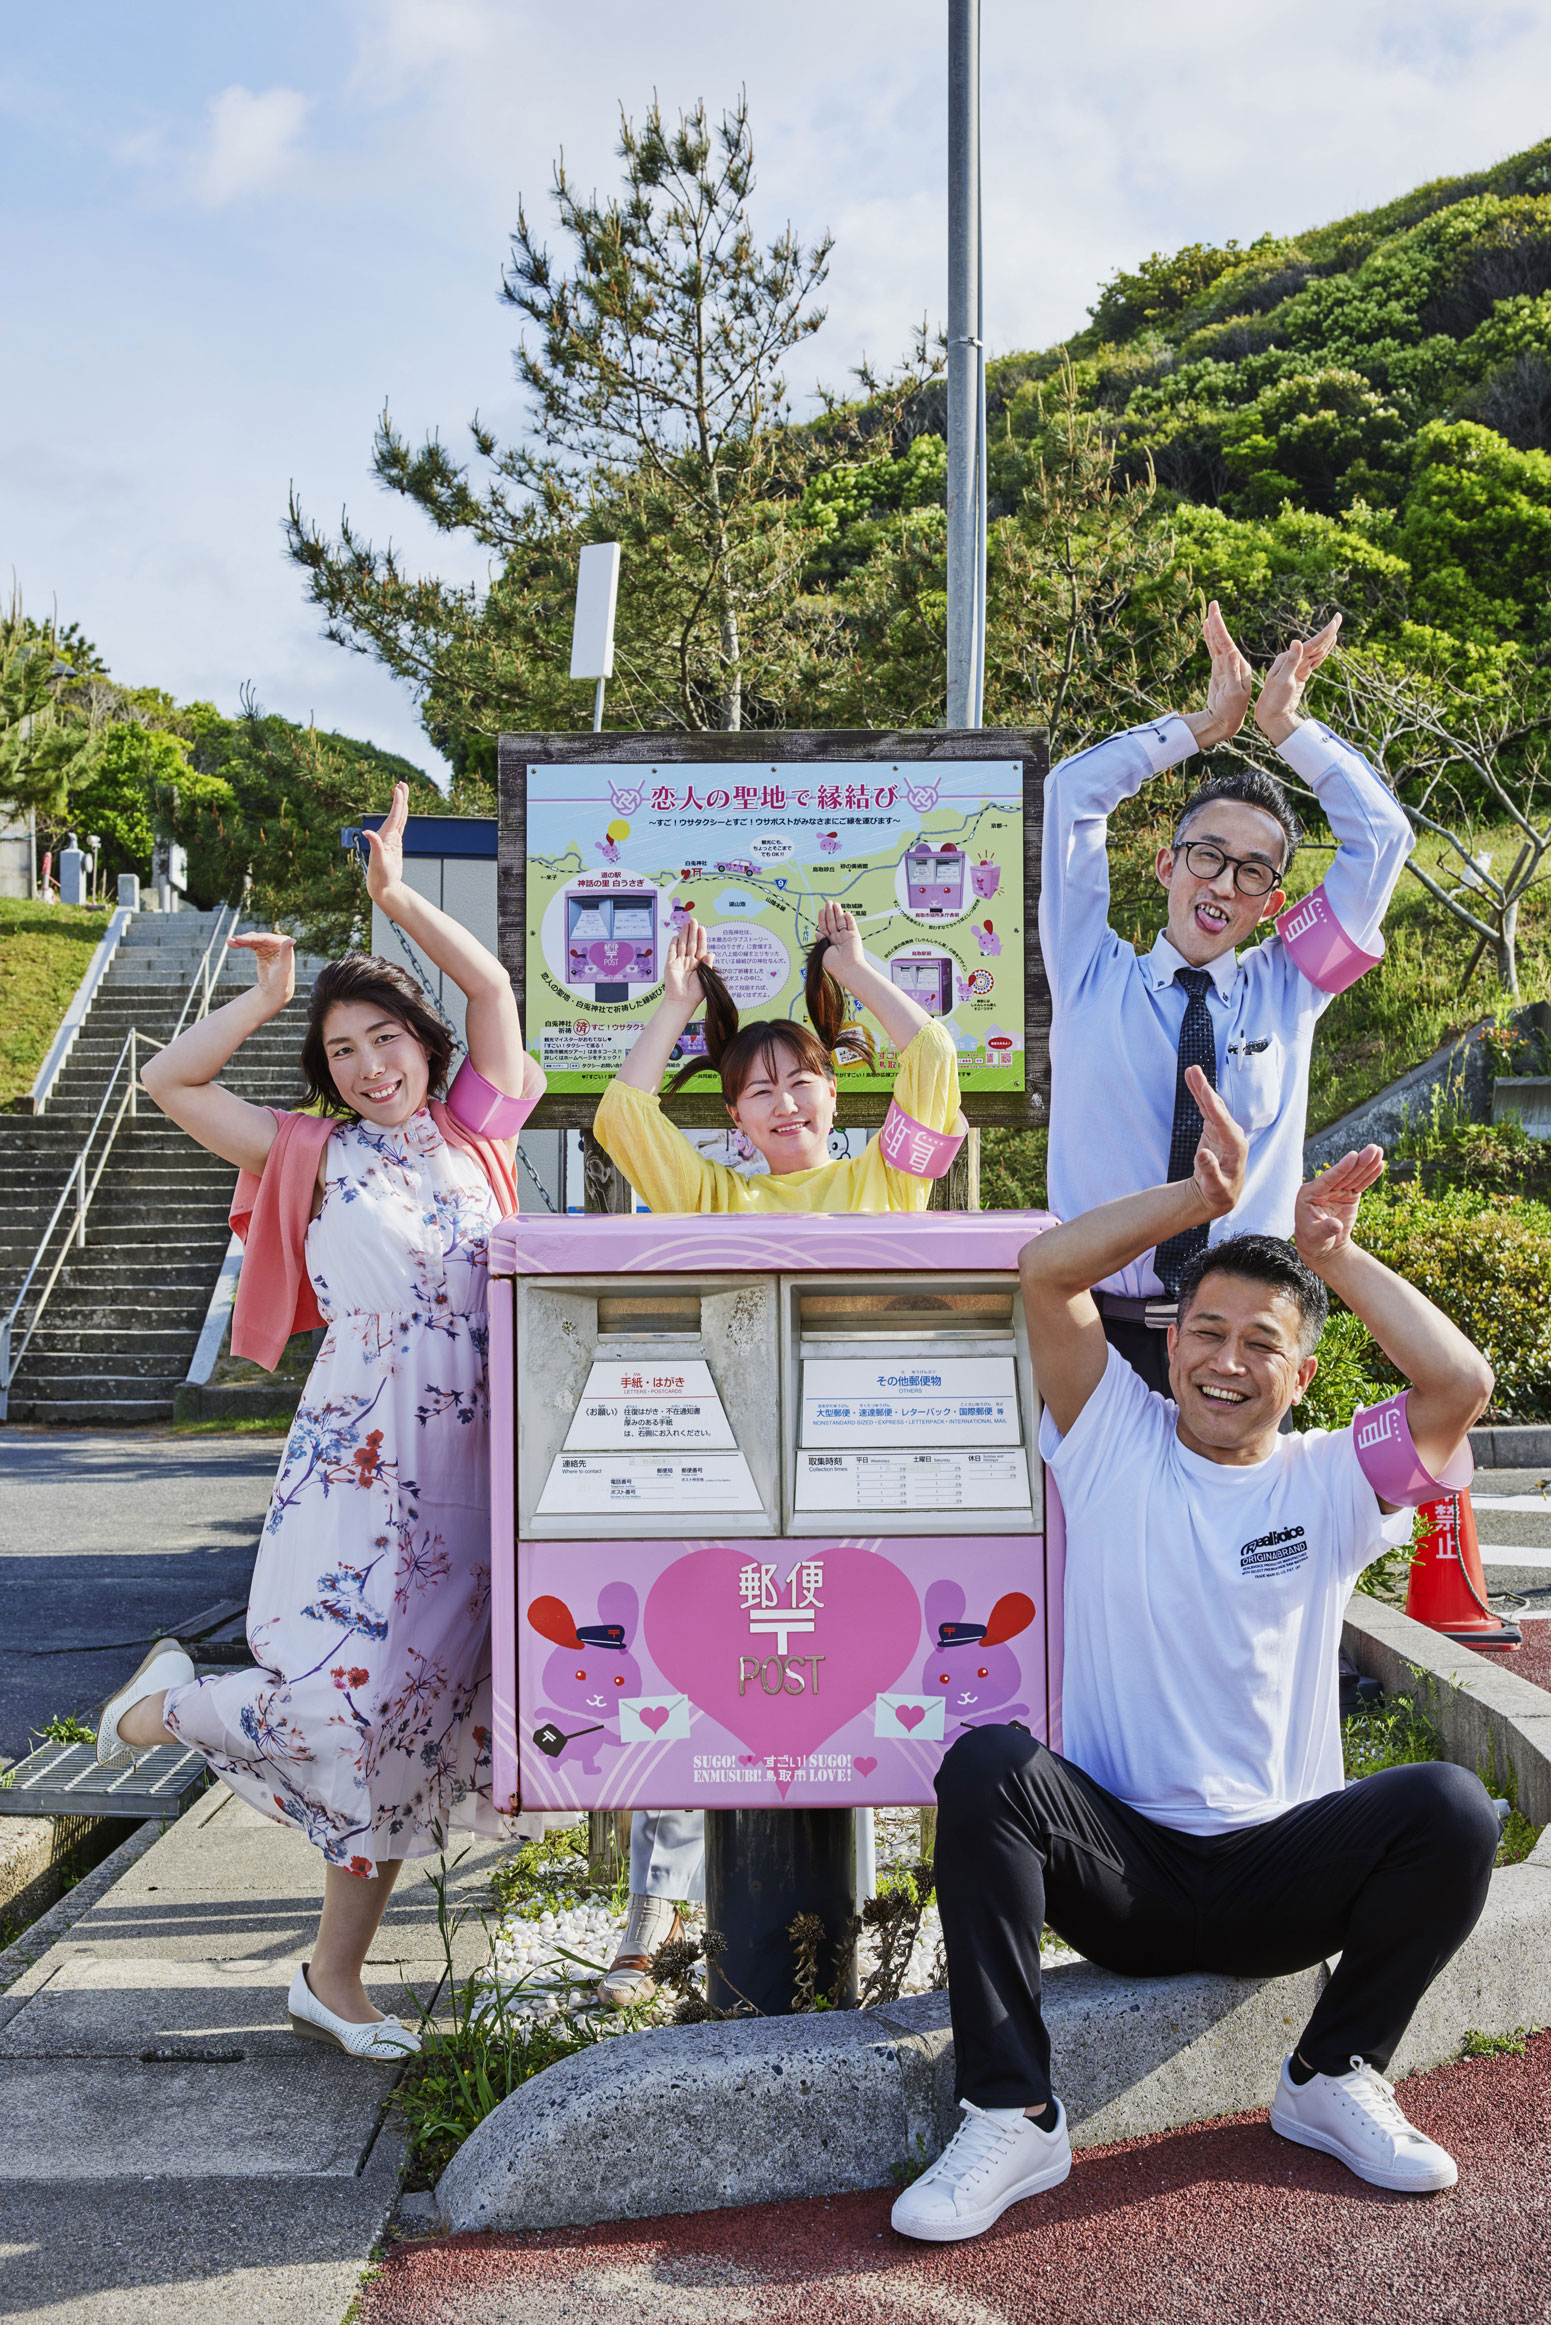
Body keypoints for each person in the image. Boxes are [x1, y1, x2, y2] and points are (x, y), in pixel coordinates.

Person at [891, 1069, 1499, 2241]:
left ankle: (1332, 2077)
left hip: (1284, 1876)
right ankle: (1013, 2111)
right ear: (1170, 1352)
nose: (1225, 1359)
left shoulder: (1331, 1476)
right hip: (1124, 1873)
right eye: (1203, 1332)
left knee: (1454, 1808)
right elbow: (1047, 1273)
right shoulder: (1111, 1436)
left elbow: (1457, 1384)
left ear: (1301, 1374)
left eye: (1259, 1343)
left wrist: (1333, 1258)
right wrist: (1195, 1197)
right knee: (987, 1767)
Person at [95, 783, 544, 2061]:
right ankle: (172, 1707)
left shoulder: (478, 1132)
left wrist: (396, 897)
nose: (369, 1065)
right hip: (353, 1467)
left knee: (410, 1726)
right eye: (343, 1051)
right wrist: (266, 998)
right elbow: (170, 1081)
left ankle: (331, 1982)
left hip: (472, 1472)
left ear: (420, 1038)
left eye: (384, 1038)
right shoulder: (306, 1150)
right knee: (342, 1702)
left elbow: (496, 996)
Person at [589, 898, 968, 2005]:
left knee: (907, 1679)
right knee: (703, 1682)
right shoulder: (714, 1192)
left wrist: (856, 964)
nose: (785, 1100)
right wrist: (671, 1007)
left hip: (874, 1477)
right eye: (758, 1090)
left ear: (835, 1091)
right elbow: (623, 1112)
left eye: (801, 1079)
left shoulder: (888, 1177)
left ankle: (944, 1917)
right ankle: (653, 1919)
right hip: (743, 1486)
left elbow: (933, 1052)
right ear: (736, 1119)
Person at [1040, 600, 1413, 1394]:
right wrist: (1203, 724)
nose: (1222, 883)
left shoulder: (1291, 981)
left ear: (1271, 902)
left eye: (1251, 871)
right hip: (1095, 1335)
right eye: (1205, 855)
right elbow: (1073, 792)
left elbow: (1380, 840)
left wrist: (1285, 724)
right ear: (1165, 867)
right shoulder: (1085, 970)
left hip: (1239, 1349)